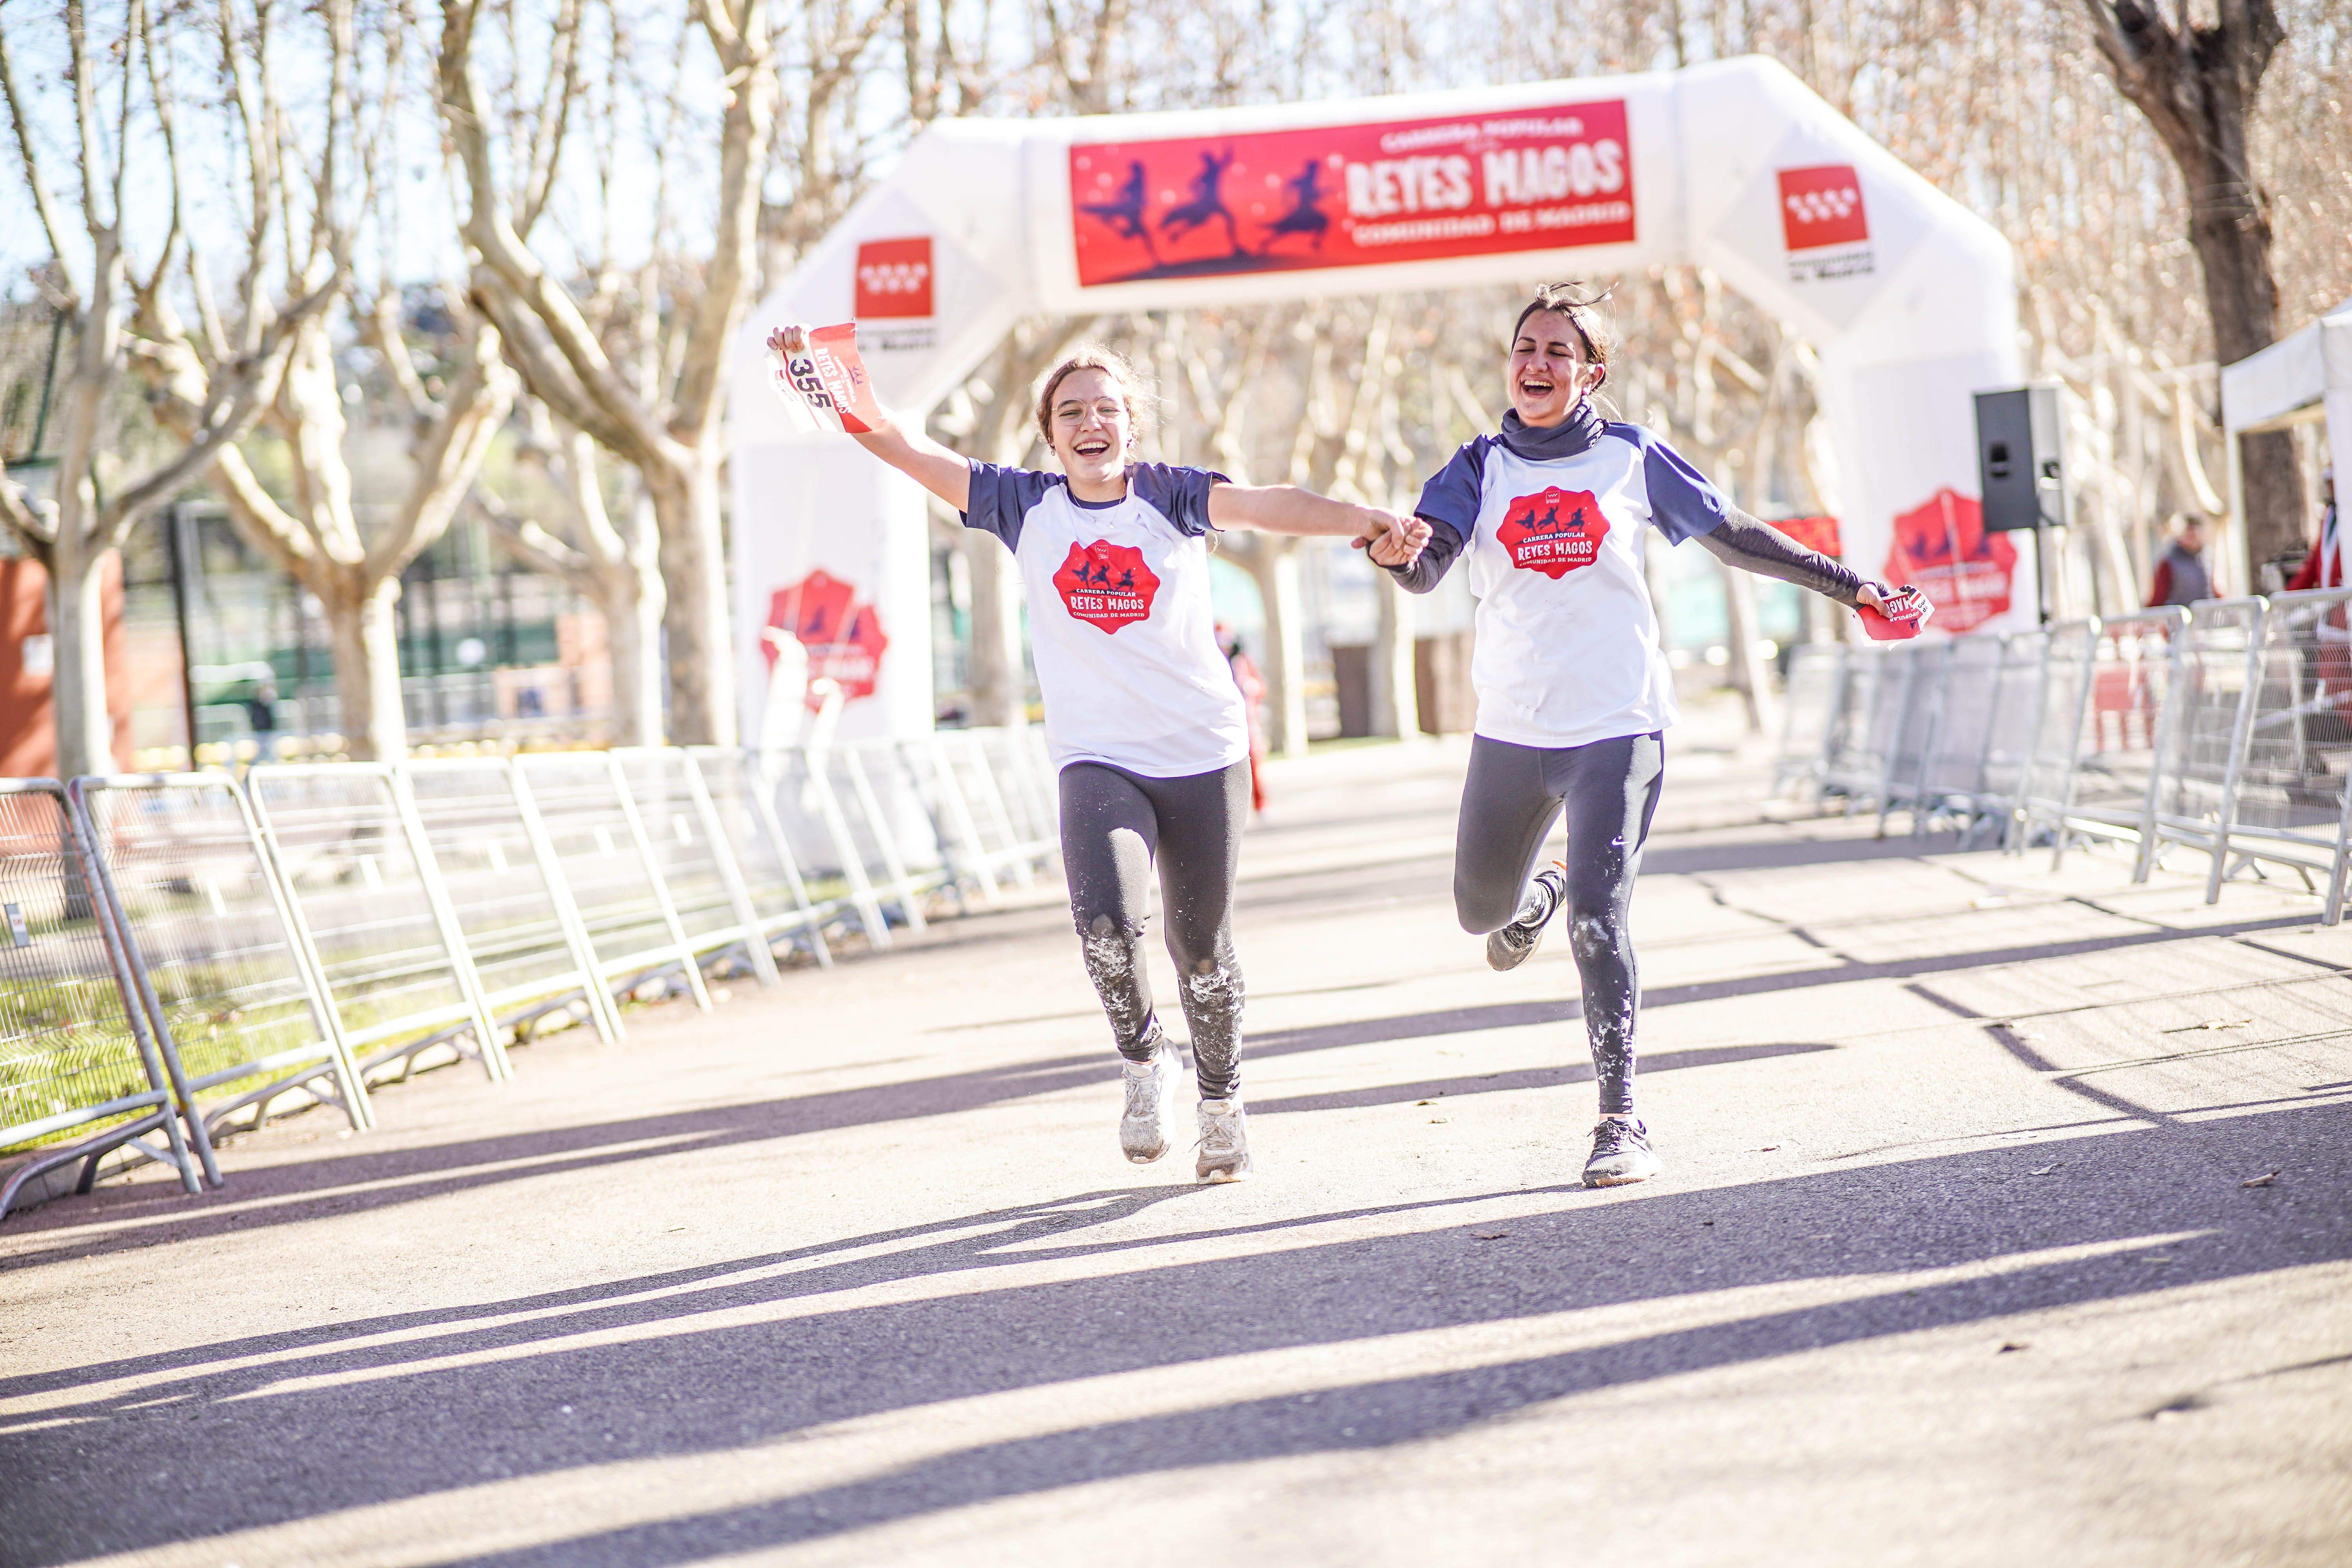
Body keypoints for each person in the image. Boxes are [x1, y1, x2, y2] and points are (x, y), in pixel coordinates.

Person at [768, 325, 1426, 1181]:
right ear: (1050, 434)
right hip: (1099, 756)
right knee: (1108, 927)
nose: (1090, 423)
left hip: (1201, 750)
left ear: (1131, 425)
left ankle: (1223, 1101)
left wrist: (1364, 521)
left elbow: (1270, 502)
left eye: (1106, 409)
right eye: (1071, 411)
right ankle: (1146, 1062)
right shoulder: (1021, 504)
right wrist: (820, 376)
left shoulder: (1175, 495)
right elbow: (903, 443)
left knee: (1200, 945)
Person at [1370, 283, 1896, 1188]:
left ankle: (1620, 1119)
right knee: (1480, 913)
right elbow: (1428, 564)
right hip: (1513, 729)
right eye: (1523, 347)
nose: (1535, 364)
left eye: (1556, 352)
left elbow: (1735, 536)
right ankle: (1536, 891)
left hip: (1620, 723)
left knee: (1598, 916)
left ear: (1591, 373)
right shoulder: (1478, 466)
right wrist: (1395, 554)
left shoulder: (1628, 458)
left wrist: (1853, 586)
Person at [2145, 515, 2212, 607]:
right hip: (2179, 616)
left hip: (2204, 615)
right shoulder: (2169, 562)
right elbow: (2159, 596)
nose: (2193, 539)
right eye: (2190, 535)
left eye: (2195, 534)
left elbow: (2212, 588)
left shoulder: (2207, 558)